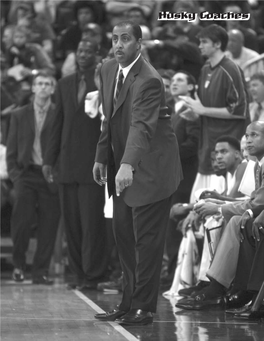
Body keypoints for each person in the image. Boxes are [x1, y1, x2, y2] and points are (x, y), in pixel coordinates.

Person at [92, 21, 182, 325]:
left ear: (139, 44)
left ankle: (144, 307)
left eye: (126, 39)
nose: (119, 45)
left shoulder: (149, 80)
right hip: (123, 167)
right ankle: (128, 302)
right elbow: (110, 117)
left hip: (152, 170)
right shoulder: (107, 69)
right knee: (124, 238)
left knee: (147, 243)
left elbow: (141, 126)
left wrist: (127, 164)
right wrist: (102, 157)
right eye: (115, 39)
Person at [176, 121, 264, 310]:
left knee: (229, 221)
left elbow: (255, 202)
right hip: (254, 213)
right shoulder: (257, 165)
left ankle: (217, 287)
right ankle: (216, 285)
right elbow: (250, 201)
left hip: (257, 215)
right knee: (228, 219)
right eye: (247, 136)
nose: (248, 141)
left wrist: (216, 206)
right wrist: (217, 204)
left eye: (254, 135)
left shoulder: (247, 167)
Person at [43, 40, 108, 291]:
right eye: (79, 51)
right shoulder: (63, 83)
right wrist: (49, 160)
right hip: (67, 164)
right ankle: (79, 273)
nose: (83, 55)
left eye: (88, 51)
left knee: (92, 223)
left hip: (93, 164)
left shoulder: (103, 81)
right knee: (71, 223)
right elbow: (56, 124)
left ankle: (94, 274)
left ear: (96, 55)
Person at [179, 24, 248, 203]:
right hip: (207, 148)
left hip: (226, 149)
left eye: (204, 42)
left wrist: (203, 110)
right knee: (199, 207)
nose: (200, 46)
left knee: (218, 209)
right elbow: (205, 108)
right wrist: (196, 114)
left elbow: (239, 110)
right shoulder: (204, 69)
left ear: (217, 44)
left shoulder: (231, 69)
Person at [6, 71, 60, 284]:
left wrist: (58, 172)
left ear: (53, 88)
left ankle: (41, 272)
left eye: (48, 83)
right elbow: (11, 149)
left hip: (50, 175)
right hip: (25, 174)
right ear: (34, 88)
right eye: (40, 83)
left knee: (49, 224)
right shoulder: (19, 115)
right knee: (21, 222)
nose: (44, 87)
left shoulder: (58, 113)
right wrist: (16, 175)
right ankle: (18, 266)